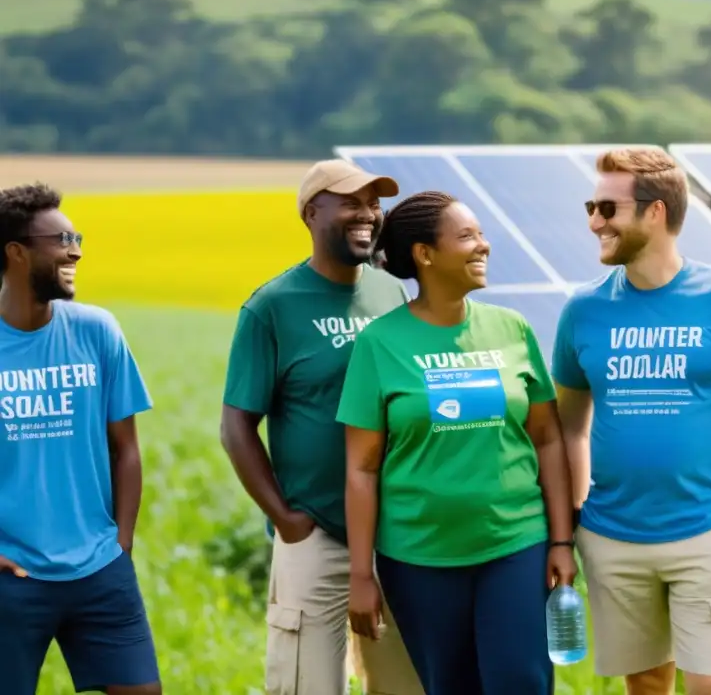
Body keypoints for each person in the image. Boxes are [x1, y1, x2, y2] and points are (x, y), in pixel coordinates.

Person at [552, 148, 711, 695]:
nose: (594, 222)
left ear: (654, 212)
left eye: (607, 209)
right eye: (591, 206)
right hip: (612, 537)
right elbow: (568, 427)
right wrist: (578, 523)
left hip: (708, 532)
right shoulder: (582, 311)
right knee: (648, 686)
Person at [338, 191, 578, 695]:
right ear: (425, 255)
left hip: (515, 543)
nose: (484, 246)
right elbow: (361, 468)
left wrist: (560, 539)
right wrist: (362, 574)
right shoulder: (379, 344)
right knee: (450, 686)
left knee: (521, 681)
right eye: (468, 236)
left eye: (482, 234)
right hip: (418, 556)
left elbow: (548, 440)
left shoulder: (511, 328)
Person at [219, 159, 424, 695]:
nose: (368, 215)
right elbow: (237, 425)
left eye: (374, 204)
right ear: (312, 213)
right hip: (316, 534)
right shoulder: (272, 307)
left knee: (404, 684)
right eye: (351, 202)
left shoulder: (391, 294)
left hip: (396, 533)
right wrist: (285, 518)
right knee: (306, 686)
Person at [0, 183, 161, 695]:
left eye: (78, 236)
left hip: (99, 568)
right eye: (63, 238)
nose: (77, 249)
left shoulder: (97, 330)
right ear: (17, 252)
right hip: (11, 579)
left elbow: (126, 448)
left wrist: (121, 543)